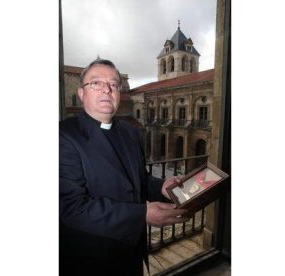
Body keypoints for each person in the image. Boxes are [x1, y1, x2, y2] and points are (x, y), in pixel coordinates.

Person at [59, 59, 189, 275]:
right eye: (96, 83)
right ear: (81, 93)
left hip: (131, 253)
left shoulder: (130, 133)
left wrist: (162, 187)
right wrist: (141, 215)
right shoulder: (63, 135)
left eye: (113, 84)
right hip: (90, 258)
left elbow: (138, 178)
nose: (107, 90)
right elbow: (71, 207)